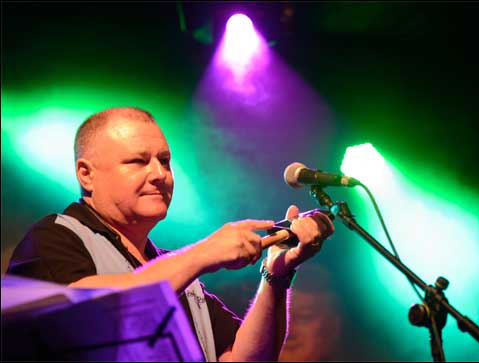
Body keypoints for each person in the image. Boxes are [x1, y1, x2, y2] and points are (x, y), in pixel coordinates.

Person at [7, 106, 334, 362]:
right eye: (137, 161)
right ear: (86, 174)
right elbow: (90, 311)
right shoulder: (54, 238)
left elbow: (245, 357)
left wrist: (276, 275)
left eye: (164, 160)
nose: (159, 174)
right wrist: (205, 253)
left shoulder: (177, 271)